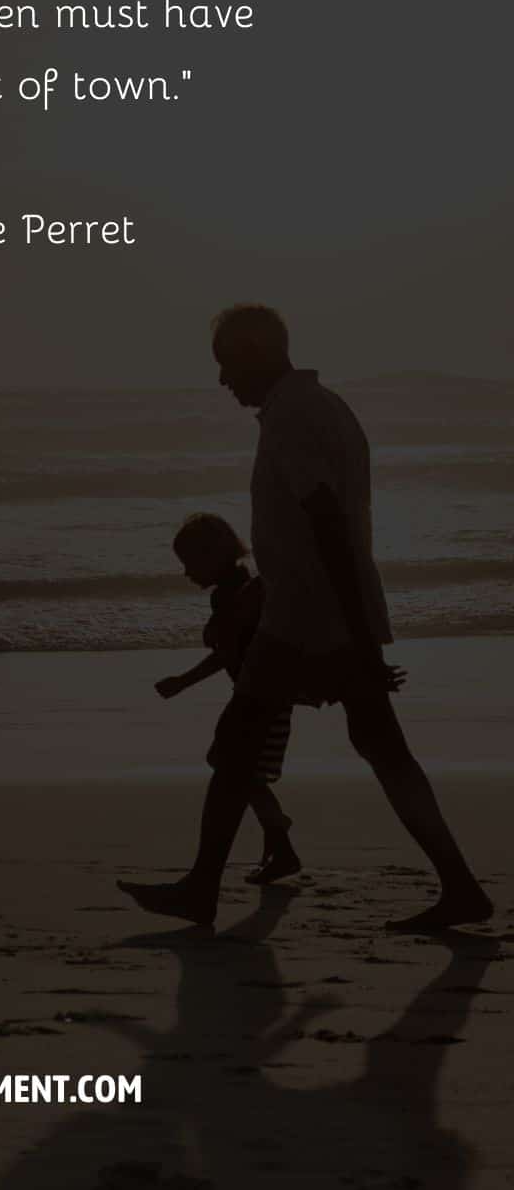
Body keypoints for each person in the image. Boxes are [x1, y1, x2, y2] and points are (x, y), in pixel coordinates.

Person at [120, 304, 492, 933]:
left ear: (257, 352)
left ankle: (202, 889)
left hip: (309, 618)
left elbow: (327, 527)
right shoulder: (325, 408)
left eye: (228, 365)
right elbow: (317, 530)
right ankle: (458, 886)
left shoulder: (294, 420)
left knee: (248, 743)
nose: (222, 382)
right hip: (313, 611)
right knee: (370, 746)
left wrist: (359, 642)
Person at [156, 512, 301, 883]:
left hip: (263, 696)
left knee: (237, 769)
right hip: (258, 694)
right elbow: (227, 651)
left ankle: (279, 838)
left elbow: (228, 652)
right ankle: (278, 835)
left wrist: (184, 681)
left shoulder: (239, 594)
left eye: (189, 564)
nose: (187, 574)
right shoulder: (237, 590)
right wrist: (186, 678)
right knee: (236, 767)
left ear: (212, 555)